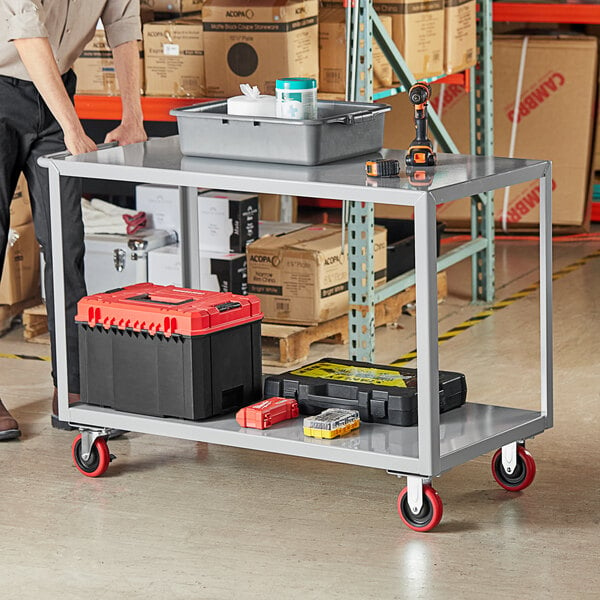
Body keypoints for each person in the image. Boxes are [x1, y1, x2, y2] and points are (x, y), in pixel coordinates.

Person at [0, 0, 147, 440]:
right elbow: (25, 30)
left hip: (56, 90)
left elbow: (123, 24)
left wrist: (132, 115)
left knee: (66, 245)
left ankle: (73, 387)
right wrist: (72, 127)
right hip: (3, 91)